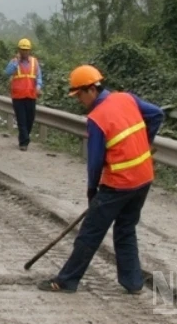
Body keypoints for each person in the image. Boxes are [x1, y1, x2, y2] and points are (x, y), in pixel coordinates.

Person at [37, 65, 164, 294]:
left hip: (119, 183)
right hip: (143, 177)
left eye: (79, 95)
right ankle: (133, 282)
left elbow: (95, 162)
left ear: (91, 90)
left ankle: (66, 281)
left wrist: (92, 190)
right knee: (126, 229)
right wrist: (145, 142)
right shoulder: (126, 98)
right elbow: (157, 114)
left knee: (90, 233)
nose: (79, 101)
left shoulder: (97, 118)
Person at [4, 38, 42, 151]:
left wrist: (38, 87)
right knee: (21, 120)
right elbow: (7, 72)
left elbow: (39, 77)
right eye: (22, 50)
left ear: (29, 50)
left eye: (26, 50)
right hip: (18, 96)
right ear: (19, 50)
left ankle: (25, 137)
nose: (24, 52)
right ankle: (24, 143)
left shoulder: (35, 62)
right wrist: (16, 62)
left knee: (30, 119)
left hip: (31, 95)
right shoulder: (14, 62)